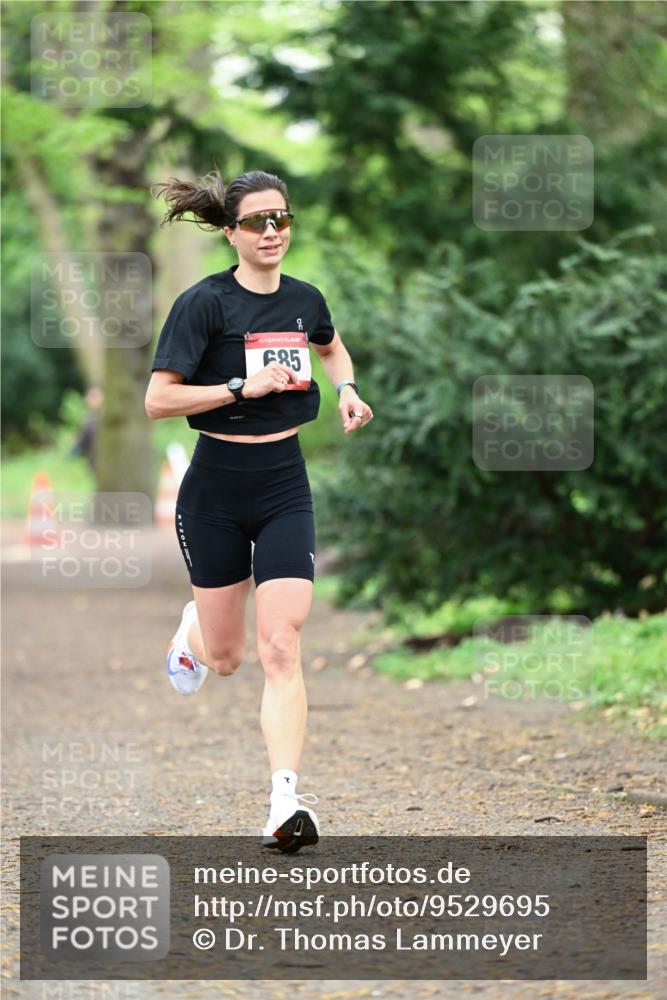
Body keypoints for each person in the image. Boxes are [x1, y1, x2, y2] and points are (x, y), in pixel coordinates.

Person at [145, 169, 373, 852]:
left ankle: (283, 801)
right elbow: (159, 400)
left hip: (283, 486)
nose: (271, 232)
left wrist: (347, 390)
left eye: (281, 219)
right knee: (226, 658)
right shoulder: (203, 304)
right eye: (256, 223)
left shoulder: (305, 300)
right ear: (230, 232)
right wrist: (239, 386)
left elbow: (329, 346)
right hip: (214, 489)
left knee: (282, 645)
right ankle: (192, 633)